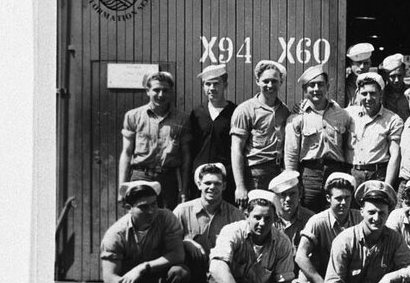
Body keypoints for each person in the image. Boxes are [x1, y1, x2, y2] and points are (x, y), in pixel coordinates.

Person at [94, 181, 190, 283]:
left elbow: (177, 255)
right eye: (143, 207)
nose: (152, 211)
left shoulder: (166, 218)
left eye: (154, 204)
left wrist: (142, 267)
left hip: (158, 277)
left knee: (179, 272)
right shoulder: (115, 234)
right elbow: (109, 278)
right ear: (128, 206)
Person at [172, 163, 242, 283]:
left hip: (221, 273)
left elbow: (243, 250)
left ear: (224, 186)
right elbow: (167, 242)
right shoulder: (182, 211)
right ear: (199, 184)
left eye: (217, 183)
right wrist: (185, 241)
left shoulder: (235, 215)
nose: (212, 187)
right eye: (207, 183)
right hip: (191, 271)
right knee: (176, 272)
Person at [293, 173, 362, 283]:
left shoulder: (360, 219)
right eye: (338, 198)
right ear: (328, 199)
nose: (343, 202)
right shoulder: (318, 221)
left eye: (347, 198)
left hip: (352, 277)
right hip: (325, 277)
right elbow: (300, 256)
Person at [285, 64, 354, 212]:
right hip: (309, 175)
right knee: (307, 213)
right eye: (312, 85)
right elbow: (291, 154)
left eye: (321, 85)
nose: (316, 89)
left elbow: (348, 148)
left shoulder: (342, 115)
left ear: (327, 87)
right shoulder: (297, 118)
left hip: (336, 171)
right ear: (305, 90)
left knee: (336, 214)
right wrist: (293, 182)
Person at [118, 71, 189, 210]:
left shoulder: (182, 119)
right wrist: (122, 187)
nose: (161, 95)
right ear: (147, 91)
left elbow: (186, 159)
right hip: (141, 176)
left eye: (165, 90)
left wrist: (184, 190)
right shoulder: (134, 116)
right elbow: (126, 153)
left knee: (167, 220)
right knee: (140, 220)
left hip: (168, 179)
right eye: (156, 90)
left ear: (171, 92)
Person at [230, 60, 291, 208]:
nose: (270, 85)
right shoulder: (245, 110)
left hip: (278, 172)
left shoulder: (284, 110)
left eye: (274, 81)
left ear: (281, 82)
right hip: (255, 174)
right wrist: (240, 186)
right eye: (266, 81)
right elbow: (236, 149)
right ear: (258, 81)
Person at [183, 64, 238, 204]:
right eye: (208, 84)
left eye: (216, 84)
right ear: (203, 87)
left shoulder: (235, 112)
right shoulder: (196, 114)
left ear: (225, 85)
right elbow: (189, 151)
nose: (212, 88)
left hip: (225, 179)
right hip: (199, 179)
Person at [346, 71, 403, 189]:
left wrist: (386, 186)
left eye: (373, 93)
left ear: (381, 94)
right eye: (364, 93)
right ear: (358, 93)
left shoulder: (393, 120)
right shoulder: (348, 114)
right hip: (352, 174)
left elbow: (395, 155)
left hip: (378, 175)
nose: (368, 98)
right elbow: (327, 111)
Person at [268, 170, 314, 249]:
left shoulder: (311, 219)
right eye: (283, 194)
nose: (288, 199)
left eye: (292, 193)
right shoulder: (268, 219)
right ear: (275, 197)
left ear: (300, 194)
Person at [380, 53, 410, 121]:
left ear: (404, 73)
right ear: (386, 76)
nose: (396, 80)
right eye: (392, 76)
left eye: (399, 76)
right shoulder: (381, 94)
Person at [344, 42, 376, 106]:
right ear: (351, 63)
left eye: (366, 63)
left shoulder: (375, 86)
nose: (362, 67)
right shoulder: (344, 85)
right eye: (358, 63)